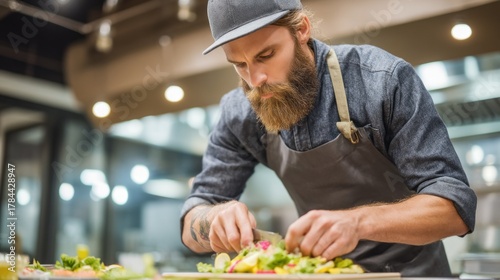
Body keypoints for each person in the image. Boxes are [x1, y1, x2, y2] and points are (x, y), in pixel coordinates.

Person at [180, 0, 477, 276]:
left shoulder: (382, 80)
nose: (255, 80)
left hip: (411, 275)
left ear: (301, 30)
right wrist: (213, 218)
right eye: (239, 64)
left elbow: (454, 206)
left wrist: (357, 223)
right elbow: (192, 221)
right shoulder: (240, 113)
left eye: (266, 55)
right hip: (324, 274)